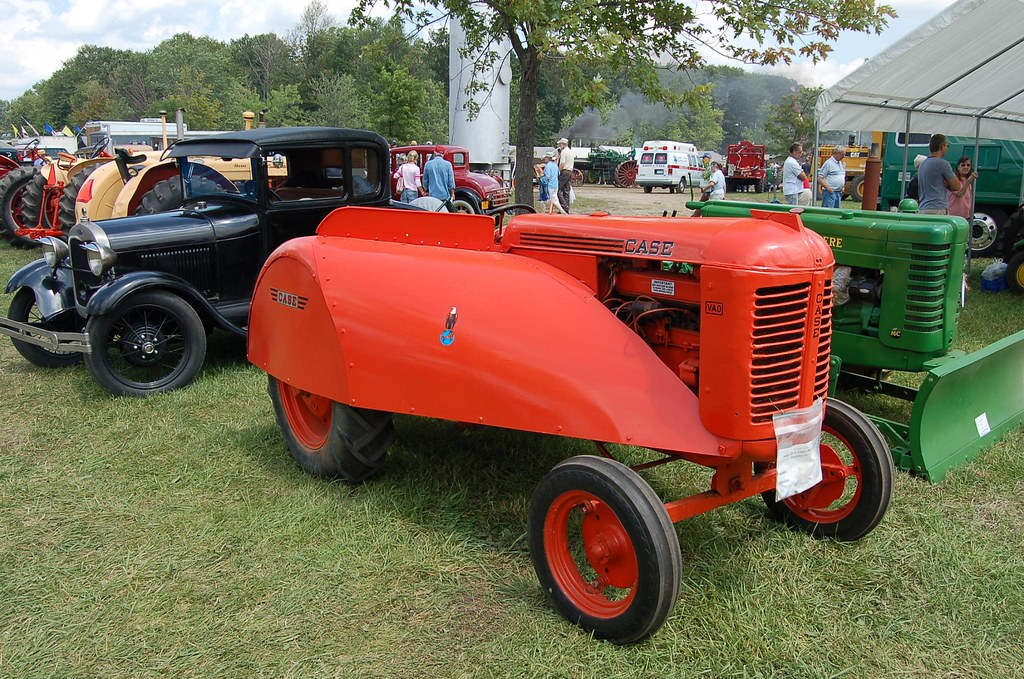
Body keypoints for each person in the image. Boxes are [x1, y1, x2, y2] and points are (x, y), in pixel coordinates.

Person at [917, 133, 961, 215]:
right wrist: (948, 184)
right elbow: (957, 186)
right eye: (947, 146)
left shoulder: (923, 164)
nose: (947, 148)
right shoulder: (942, 164)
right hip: (937, 209)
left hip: (923, 208)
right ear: (942, 146)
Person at [947, 155, 979, 221]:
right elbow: (959, 194)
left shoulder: (967, 179)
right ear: (958, 167)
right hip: (953, 215)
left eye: (968, 165)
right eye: (963, 165)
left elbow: (969, 198)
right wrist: (968, 181)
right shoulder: (953, 179)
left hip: (966, 216)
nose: (966, 167)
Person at [556, 137, 574, 213]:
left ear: (563, 144)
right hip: (570, 171)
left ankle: (563, 206)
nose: (560, 145)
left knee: (558, 189)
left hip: (565, 171)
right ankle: (566, 209)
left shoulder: (564, 152)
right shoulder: (570, 152)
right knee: (566, 191)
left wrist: (558, 171)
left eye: (560, 144)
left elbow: (562, 163)